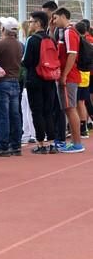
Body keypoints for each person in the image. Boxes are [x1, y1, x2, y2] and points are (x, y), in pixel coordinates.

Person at [22, 11, 58, 154]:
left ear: (37, 23)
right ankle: (51, 143)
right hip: (49, 79)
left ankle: (41, 143)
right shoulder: (51, 39)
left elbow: (26, 61)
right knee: (48, 111)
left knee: (37, 111)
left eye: (31, 22)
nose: (30, 24)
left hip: (34, 79)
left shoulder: (32, 40)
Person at [0, 17, 24, 156]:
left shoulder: (0, 45)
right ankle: (16, 145)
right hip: (15, 81)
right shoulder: (19, 45)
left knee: (2, 115)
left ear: (4, 29)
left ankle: (3, 146)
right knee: (15, 114)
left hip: (1, 82)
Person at [52, 8, 85, 153]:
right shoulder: (66, 32)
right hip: (70, 75)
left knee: (70, 108)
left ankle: (77, 143)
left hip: (69, 77)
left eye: (55, 18)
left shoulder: (68, 32)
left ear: (63, 16)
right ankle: (75, 142)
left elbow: (72, 54)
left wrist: (64, 75)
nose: (53, 21)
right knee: (69, 108)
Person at [42, 1, 67, 146]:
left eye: (46, 13)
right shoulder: (51, 28)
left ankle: (60, 136)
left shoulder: (60, 30)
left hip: (57, 71)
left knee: (59, 106)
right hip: (51, 72)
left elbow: (55, 48)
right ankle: (56, 135)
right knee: (53, 105)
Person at [74, 21, 91, 139]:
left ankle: (77, 127)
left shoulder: (78, 43)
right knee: (81, 102)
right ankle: (83, 128)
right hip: (86, 75)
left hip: (78, 75)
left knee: (75, 103)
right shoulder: (89, 44)